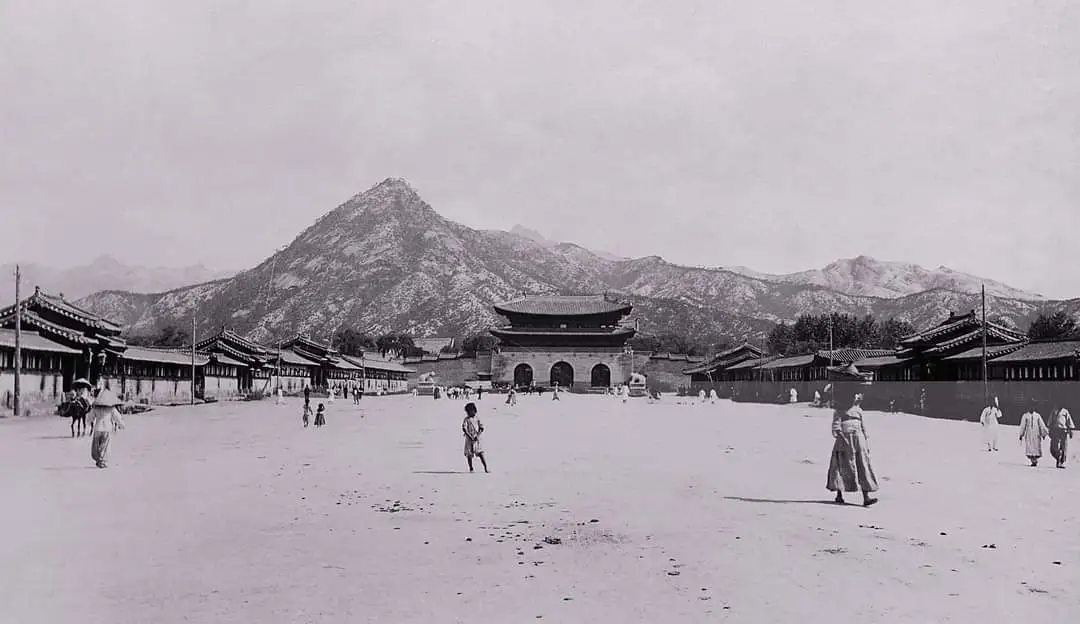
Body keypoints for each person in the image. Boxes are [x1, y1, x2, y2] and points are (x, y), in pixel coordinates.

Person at [826, 389, 878, 506]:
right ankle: (839, 495)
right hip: (844, 441)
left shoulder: (859, 411)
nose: (855, 397)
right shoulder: (839, 410)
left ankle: (866, 497)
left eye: (855, 396)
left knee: (863, 465)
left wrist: (865, 443)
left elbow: (863, 427)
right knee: (841, 466)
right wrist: (844, 440)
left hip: (859, 440)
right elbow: (836, 427)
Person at [89, 389, 126, 469]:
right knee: (104, 445)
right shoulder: (111, 408)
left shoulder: (95, 408)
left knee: (96, 445)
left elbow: (90, 418)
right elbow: (117, 418)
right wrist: (122, 425)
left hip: (98, 428)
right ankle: (102, 461)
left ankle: (98, 459)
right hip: (107, 428)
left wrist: (89, 422)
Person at [1018, 402, 1049, 467]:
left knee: (1036, 446)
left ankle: (1035, 460)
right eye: (1030, 407)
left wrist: (1043, 433)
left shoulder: (1037, 415)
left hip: (1036, 433)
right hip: (1029, 433)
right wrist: (1021, 434)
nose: (1031, 408)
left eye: (1033, 407)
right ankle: (1033, 461)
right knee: (1030, 446)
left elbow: (1041, 425)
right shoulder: (1025, 415)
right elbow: (1023, 425)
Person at [462, 402, 488, 473]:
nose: (470, 413)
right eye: (468, 412)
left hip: (477, 439)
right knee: (469, 454)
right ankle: (471, 468)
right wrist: (470, 436)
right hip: (469, 439)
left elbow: (481, 428)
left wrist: (478, 435)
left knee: (481, 453)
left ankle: (485, 468)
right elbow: (464, 429)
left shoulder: (477, 418)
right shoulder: (466, 419)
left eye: (472, 411)